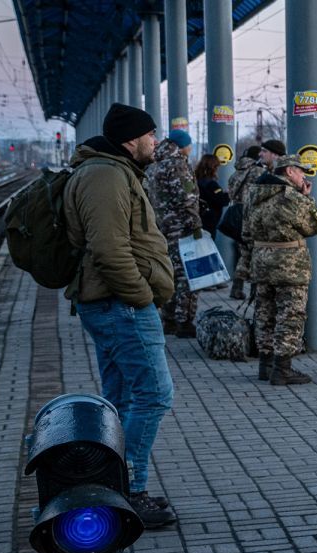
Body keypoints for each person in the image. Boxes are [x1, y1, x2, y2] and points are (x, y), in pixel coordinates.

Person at [62, 102, 177, 528]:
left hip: (112, 303)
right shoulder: (106, 176)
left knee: (122, 397)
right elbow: (109, 250)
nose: (155, 141)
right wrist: (142, 296)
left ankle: (110, 484)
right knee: (155, 394)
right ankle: (130, 489)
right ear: (131, 140)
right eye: (150, 135)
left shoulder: (111, 172)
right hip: (120, 305)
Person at [243, 154, 317, 385]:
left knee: (264, 313)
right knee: (290, 315)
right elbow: (314, 225)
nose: (304, 177)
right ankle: (282, 369)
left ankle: (265, 365)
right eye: (301, 172)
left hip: (261, 261)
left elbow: (246, 231)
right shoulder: (292, 198)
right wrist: (307, 199)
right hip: (290, 265)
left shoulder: (254, 194)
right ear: (289, 172)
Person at [144, 128, 203, 338]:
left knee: (168, 274)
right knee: (188, 277)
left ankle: (167, 319)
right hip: (181, 229)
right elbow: (186, 199)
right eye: (189, 145)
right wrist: (196, 228)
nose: (190, 148)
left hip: (160, 229)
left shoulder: (154, 164)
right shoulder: (177, 164)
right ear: (181, 146)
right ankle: (184, 322)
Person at [227, 145, 266, 299]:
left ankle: (237, 287)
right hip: (252, 214)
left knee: (244, 253)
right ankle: (255, 290)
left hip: (238, 214)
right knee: (256, 252)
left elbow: (230, 192)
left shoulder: (236, 172)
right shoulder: (258, 171)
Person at [194, 154, 229, 237]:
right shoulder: (211, 184)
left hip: (197, 219)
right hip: (208, 222)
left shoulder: (196, 180)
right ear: (213, 168)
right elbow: (222, 201)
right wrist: (227, 193)